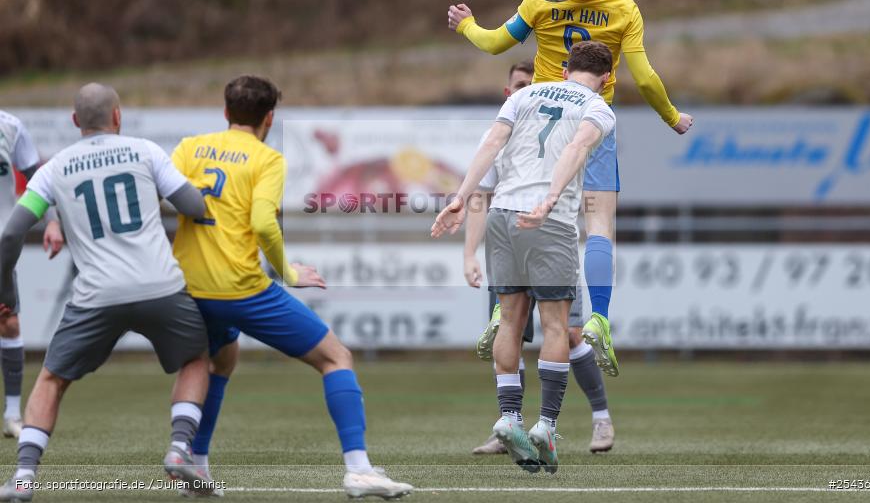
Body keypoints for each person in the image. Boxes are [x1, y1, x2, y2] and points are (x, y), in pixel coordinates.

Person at [448, 0, 694, 376]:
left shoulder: (540, 0)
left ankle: (500, 312)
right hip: (590, 124)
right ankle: (598, 316)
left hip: (537, 123)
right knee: (598, 227)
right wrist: (672, 117)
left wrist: (466, 24)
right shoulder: (622, 9)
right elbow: (646, 76)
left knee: (519, 215)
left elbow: (493, 44)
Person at [170, 75, 413, 499]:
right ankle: (359, 470)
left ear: (225, 112)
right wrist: (288, 271)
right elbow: (263, 222)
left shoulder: (189, 148)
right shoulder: (267, 159)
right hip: (242, 288)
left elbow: (165, 195)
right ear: (269, 118)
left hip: (191, 287)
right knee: (336, 357)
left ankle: (198, 466)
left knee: (221, 360)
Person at [0, 84, 212, 501]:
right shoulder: (145, 151)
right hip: (160, 286)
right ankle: (179, 447)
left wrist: (6, 287)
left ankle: (23, 478)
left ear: (75, 121)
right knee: (197, 358)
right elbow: (193, 206)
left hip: (96, 296)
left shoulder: (54, 169)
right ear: (118, 116)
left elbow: (10, 234)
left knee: (52, 379)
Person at [433, 41, 616, 473]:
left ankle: (509, 415)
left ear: (565, 68)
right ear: (608, 78)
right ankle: (546, 426)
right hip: (545, 220)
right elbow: (575, 150)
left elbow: (493, 141)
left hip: (500, 215)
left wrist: (459, 197)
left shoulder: (522, 95)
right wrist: (551, 198)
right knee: (556, 324)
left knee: (509, 319)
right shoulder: (598, 108)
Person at [0, 111, 65, 439]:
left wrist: (52, 219)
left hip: (0, 244)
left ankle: (12, 413)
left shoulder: (10, 125)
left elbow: (36, 176)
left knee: (8, 322)